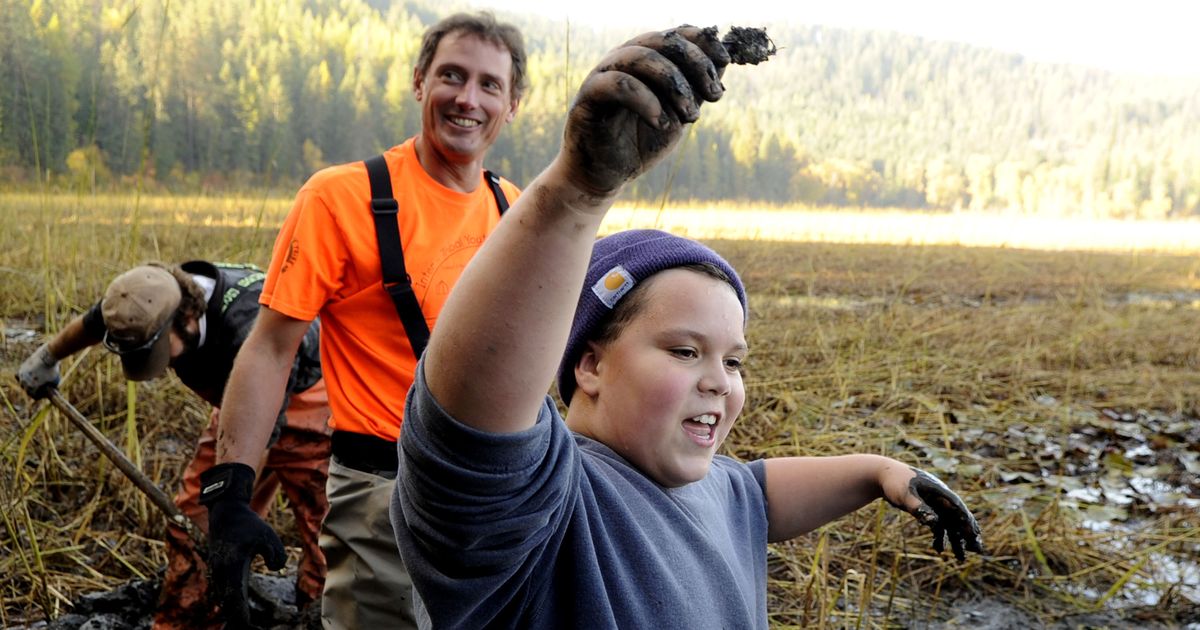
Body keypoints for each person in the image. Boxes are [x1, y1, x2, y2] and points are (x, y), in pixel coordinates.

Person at [389, 25, 985, 628]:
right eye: (684, 351)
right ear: (590, 363)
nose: (720, 382)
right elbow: (471, 419)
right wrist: (577, 193)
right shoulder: (539, 510)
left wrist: (880, 472)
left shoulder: (709, 487)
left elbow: (757, 493)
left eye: (733, 361)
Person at [201, 11, 526, 629]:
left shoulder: (514, 208)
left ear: (513, 104)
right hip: (385, 498)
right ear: (419, 83)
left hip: (497, 502)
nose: (467, 98)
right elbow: (269, 349)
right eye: (451, 76)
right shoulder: (339, 197)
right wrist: (230, 490)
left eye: (489, 85)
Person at [15, 262, 329, 629]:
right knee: (193, 528)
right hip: (236, 403)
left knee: (327, 539)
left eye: (165, 354)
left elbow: (255, 436)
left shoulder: (249, 328)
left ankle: (317, 617)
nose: (163, 368)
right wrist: (47, 357)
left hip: (311, 405)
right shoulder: (142, 300)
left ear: (190, 317)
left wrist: (232, 510)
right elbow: (95, 319)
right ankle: (186, 621)